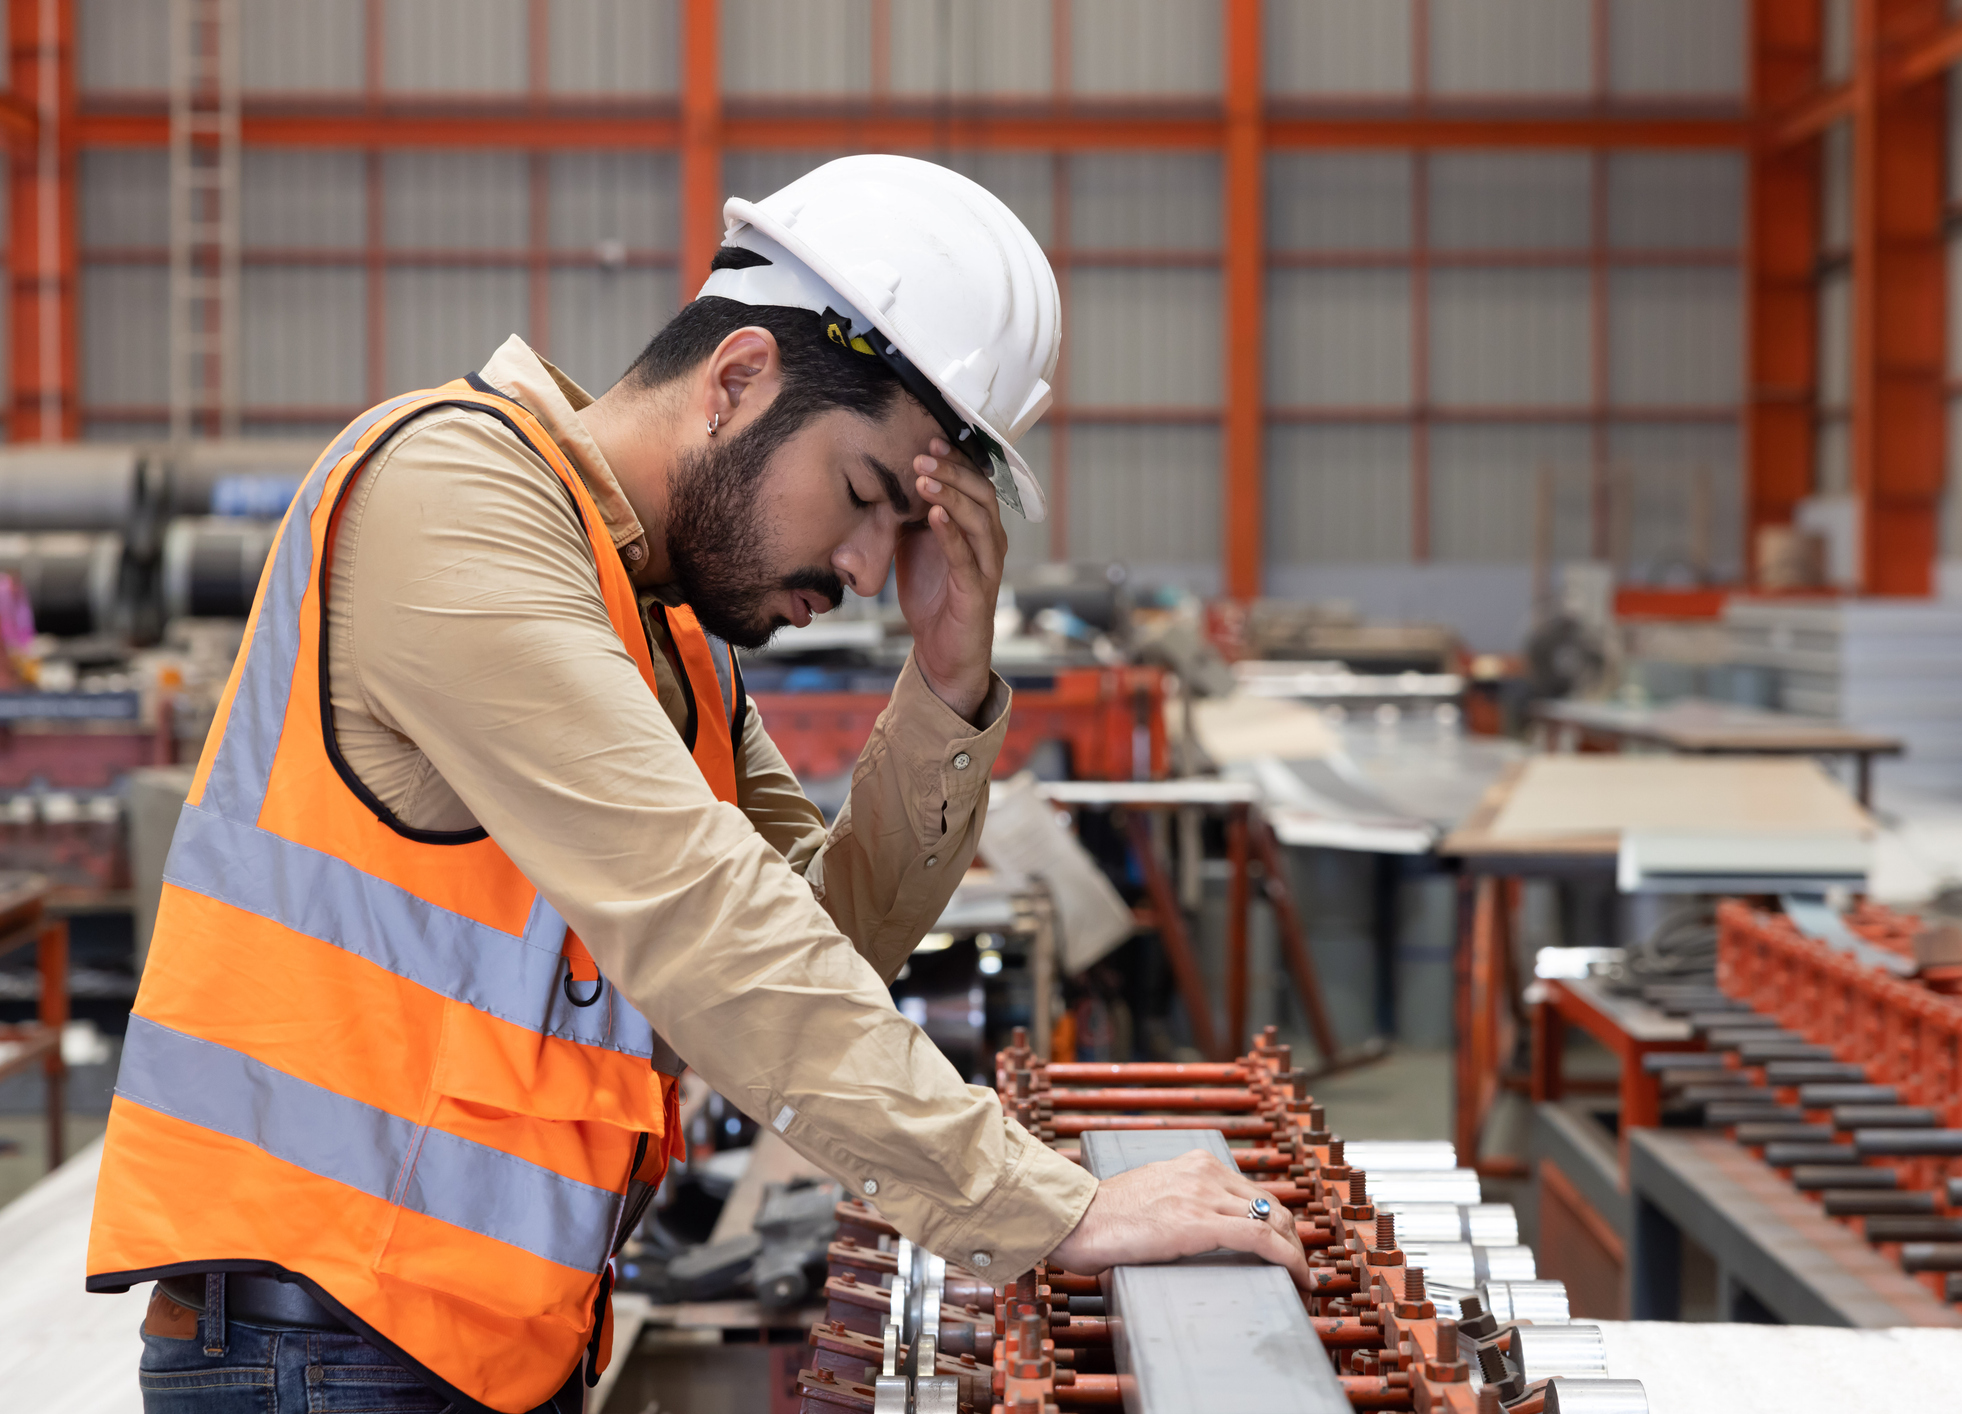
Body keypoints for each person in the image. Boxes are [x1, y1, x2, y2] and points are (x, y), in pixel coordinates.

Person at [87, 155, 1310, 1414]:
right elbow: (702, 918)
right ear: (736, 380)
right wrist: (1040, 1205)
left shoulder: (667, 633)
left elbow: (820, 944)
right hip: (323, 1345)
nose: (864, 568)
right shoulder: (452, 495)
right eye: (863, 497)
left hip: (470, 1339)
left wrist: (942, 689)